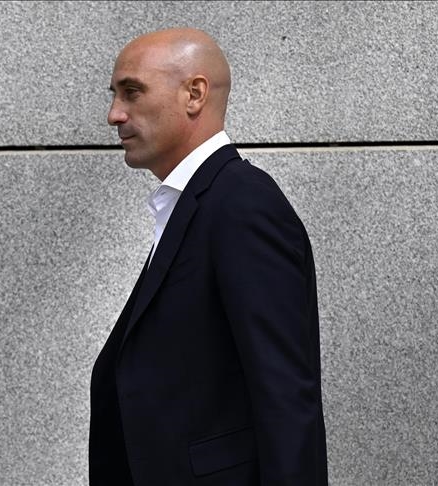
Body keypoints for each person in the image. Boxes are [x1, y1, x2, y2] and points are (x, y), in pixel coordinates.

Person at [89, 28, 328, 485]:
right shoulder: (200, 204)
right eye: (114, 95)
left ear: (194, 94)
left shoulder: (242, 205)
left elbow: (285, 400)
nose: (114, 114)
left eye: (132, 92)